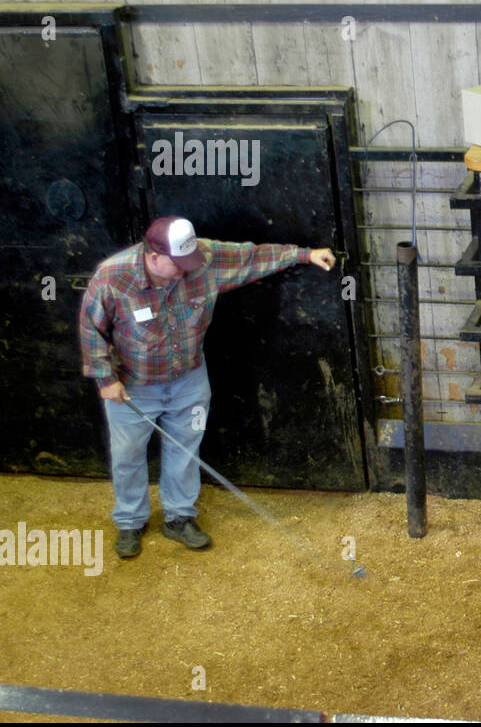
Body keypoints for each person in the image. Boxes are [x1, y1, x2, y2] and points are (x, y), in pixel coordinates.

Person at [78, 216, 336, 559]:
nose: (189, 269)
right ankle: (130, 521)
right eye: (179, 264)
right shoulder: (113, 276)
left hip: (188, 378)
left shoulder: (205, 259)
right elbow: (90, 325)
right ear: (154, 257)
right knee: (127, 455)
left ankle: (179, 517)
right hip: (133, 385)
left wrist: (305, 255)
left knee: (185, 448)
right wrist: (105, 378)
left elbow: (253, 257)